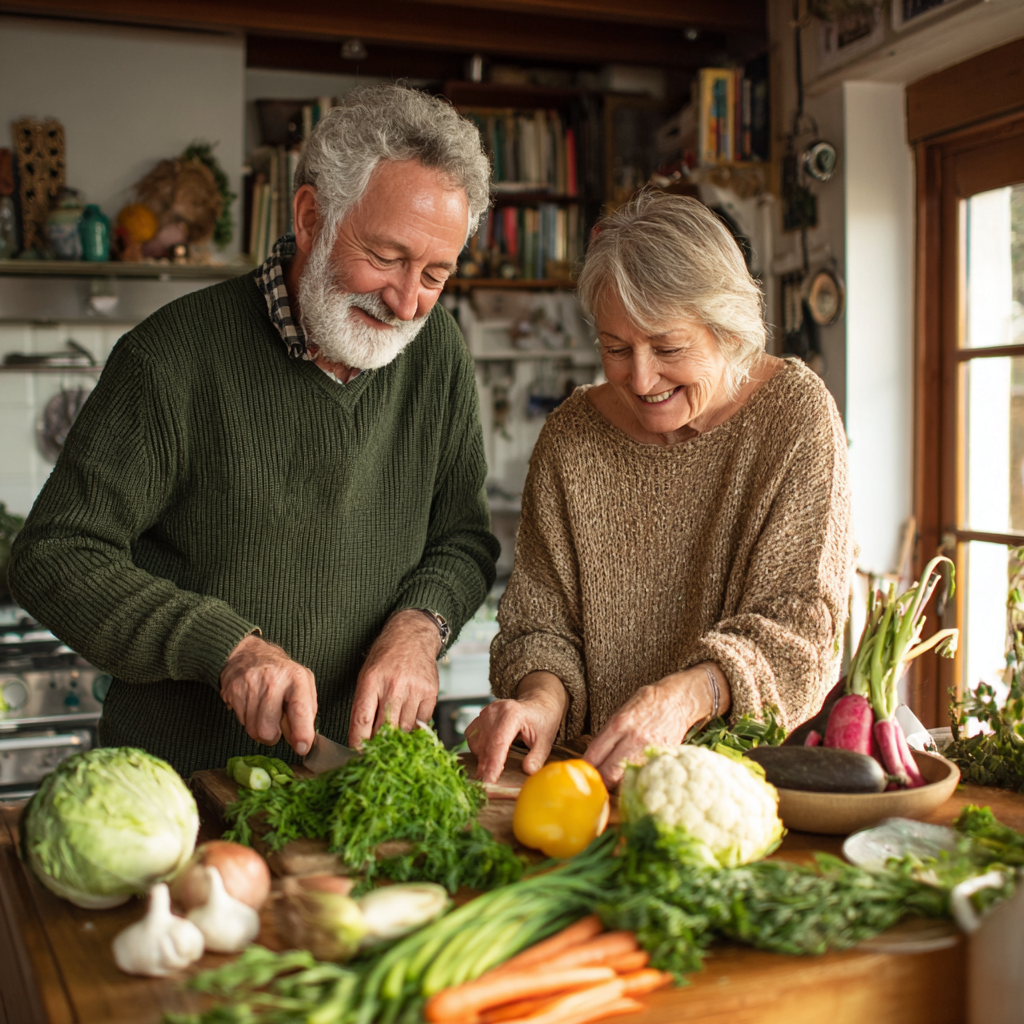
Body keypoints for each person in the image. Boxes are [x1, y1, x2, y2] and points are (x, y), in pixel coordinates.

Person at [8, 85, 499, 777]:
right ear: (309, 216)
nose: (406, 301)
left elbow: (462, 539)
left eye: (435, 274)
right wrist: (225, 648)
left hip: (358, 783)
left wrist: (423, 624)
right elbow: (53, 555)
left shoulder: (437, 349)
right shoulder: (170, 358)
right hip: (187, 789)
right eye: (387, 257)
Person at [468, 191, 855, 788]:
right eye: (615, 349)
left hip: (736, 788)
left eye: (668, 349)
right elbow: (539, 625)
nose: (640, 379)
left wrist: (684, 698)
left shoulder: (796, 419)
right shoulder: (572, 436)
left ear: (727, 329)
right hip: (587, 783)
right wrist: (540, 703)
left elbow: (802, 630)